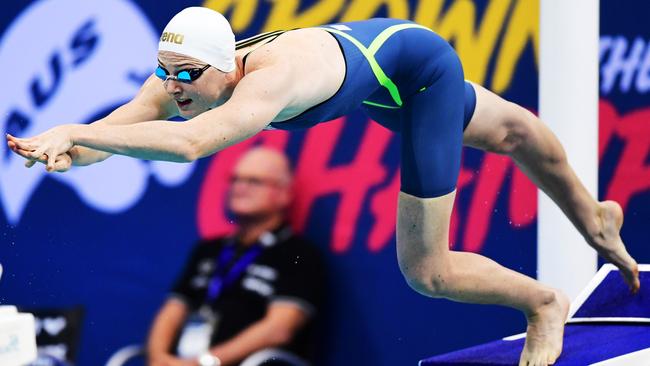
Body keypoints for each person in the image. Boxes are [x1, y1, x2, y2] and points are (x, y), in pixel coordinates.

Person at [6, 7, 639, 366]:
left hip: (420, 76)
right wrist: (68, 151)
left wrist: (76, 130)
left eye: (186, 77)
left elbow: (190, 144)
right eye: (163, 74)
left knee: (429, 269)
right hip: (382, 77)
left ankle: (542, 302)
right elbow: (106, 137)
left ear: (225, 67)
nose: (172, 89)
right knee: (517, 134)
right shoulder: (182, 75)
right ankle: (598, 219)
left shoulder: (268, 82)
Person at [147, 147, 325, 366]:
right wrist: (158, 359)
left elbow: (279, 329)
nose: (240, 187)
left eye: (254, 181)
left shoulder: (299, 254)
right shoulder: (209, 249)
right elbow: (173, 310)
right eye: (235, 179)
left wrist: (204, 363)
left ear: (284, 194)